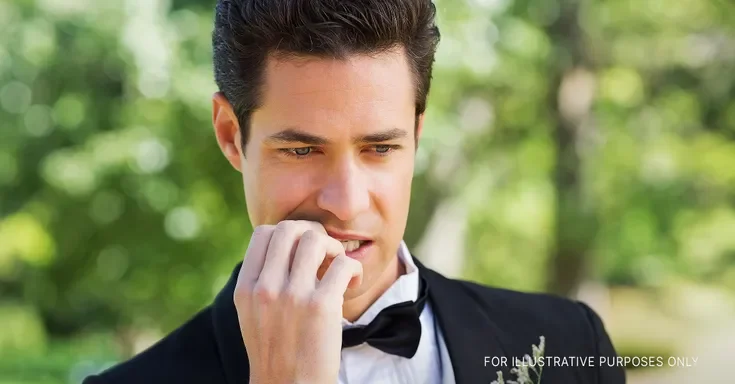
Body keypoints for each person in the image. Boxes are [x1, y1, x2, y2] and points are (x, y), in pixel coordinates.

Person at [83, 0, 625, 383]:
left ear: (416, 132)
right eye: (301, 151)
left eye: (379, 149)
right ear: (232, 136)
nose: (346, 202)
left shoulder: (570, 344)